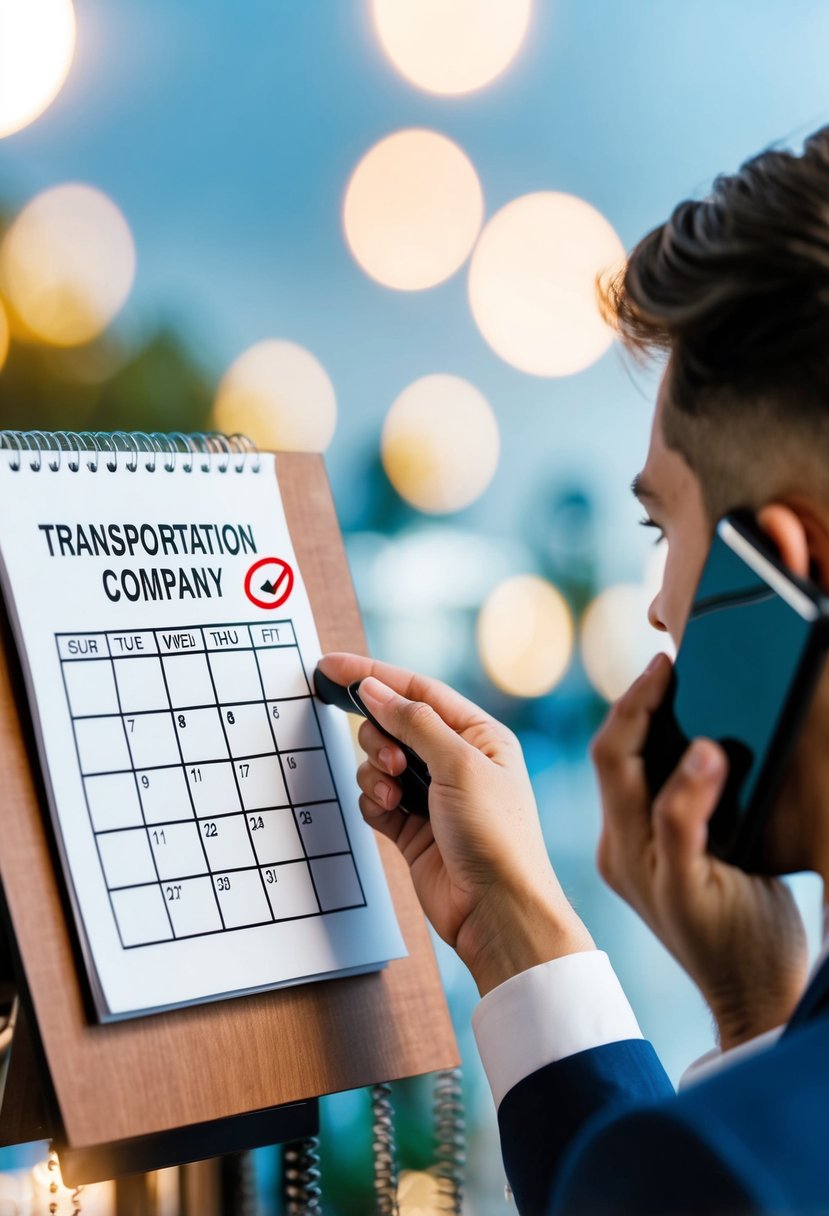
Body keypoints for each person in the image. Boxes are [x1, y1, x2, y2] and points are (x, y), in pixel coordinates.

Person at [319, 126, 829, 1215]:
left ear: (776, 570)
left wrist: (763, 1047)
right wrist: (757, 1015)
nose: (656, 606)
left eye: (664, 533)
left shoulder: (718, 1168)